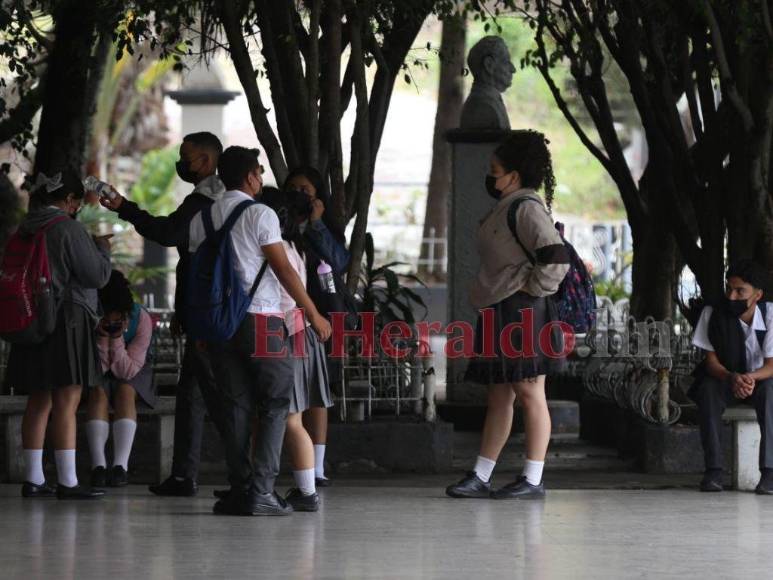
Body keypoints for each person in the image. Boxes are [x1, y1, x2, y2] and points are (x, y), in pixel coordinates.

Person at [188, 146, 331, 516]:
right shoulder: (260, 213)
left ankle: (240, 488)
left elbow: (194, 273)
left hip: (219, 324)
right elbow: (284, 270)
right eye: (259, 172)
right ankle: (263, 491)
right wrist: (313, 312)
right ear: (251, 176)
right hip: (263, 320)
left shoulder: (201, 217)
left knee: (235, 407)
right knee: (275, 404)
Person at [445, 130, 570, 500]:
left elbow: (556, 258)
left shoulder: (525, 207)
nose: (490, 176)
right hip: (503, 310)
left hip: (522, 312)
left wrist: (529, 289)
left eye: (495, 170)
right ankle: (481, 475)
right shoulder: (509, 205)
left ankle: (532, 479)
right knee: (500, 395)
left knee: (530, 393)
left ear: (514, 175)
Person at [100, 132, 225, 497]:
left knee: (211, 397)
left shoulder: (206, 199)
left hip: (210, 315)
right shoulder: (231, 201)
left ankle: (236, 478)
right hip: (211, 312)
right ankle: (190, 475)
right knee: (195, 396)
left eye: (186, 157)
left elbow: (168, 232)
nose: (182, 163)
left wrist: (124, 206)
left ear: (204, 160)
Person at [6, 170, 111, 499]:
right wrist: (102, 251)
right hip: (67, 319)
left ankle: (34, 479)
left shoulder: (24, 227)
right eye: (76, 201)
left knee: (38, 400)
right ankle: (68, 481)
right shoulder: (68, 228)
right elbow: (96, 276)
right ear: (69, 201)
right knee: (67, 400)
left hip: (30, 319)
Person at [262, 187, 333, 512]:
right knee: (292, 418)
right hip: (301, 334)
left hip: (288, 334)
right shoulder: (295, 246)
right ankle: (301, 488)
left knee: (291, 420)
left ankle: (306, 492)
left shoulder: (280, 250)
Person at [283, 166, 351, 486]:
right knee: (295, 392)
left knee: (319, 394)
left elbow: (338, 261)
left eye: (306, 189)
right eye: (294, 188)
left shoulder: (324, 228)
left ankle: (318, 467)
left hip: (324, 316)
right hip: (289, 316)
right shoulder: (279, 226)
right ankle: (302, 465)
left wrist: (316, 223)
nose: (300, 194)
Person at [689, 260, 773, 494]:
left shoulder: (770, 315)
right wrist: (732, 377)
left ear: (757, 295)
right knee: (707, 389)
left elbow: (771, 365)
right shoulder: (712, 313)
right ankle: (714, 471)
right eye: (729, 289)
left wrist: (748, 378)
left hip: (760, 380)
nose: (732, 296)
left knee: (771, 391)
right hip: (725, 379)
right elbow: (711, 362)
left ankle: (769, 473)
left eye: (740, 291)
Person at [86, 270, 155, 488]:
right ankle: (98, 466)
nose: (114, 321)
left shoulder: (141, 318)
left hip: (134, 367)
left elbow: (128, 372)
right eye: (109, 318)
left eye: (119, 318)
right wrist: (102, 336)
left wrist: (115, 339)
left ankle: (120, 467)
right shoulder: (90, 318)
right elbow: (98, 367)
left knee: (125, 391)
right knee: (98, 393)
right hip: (97, 367)